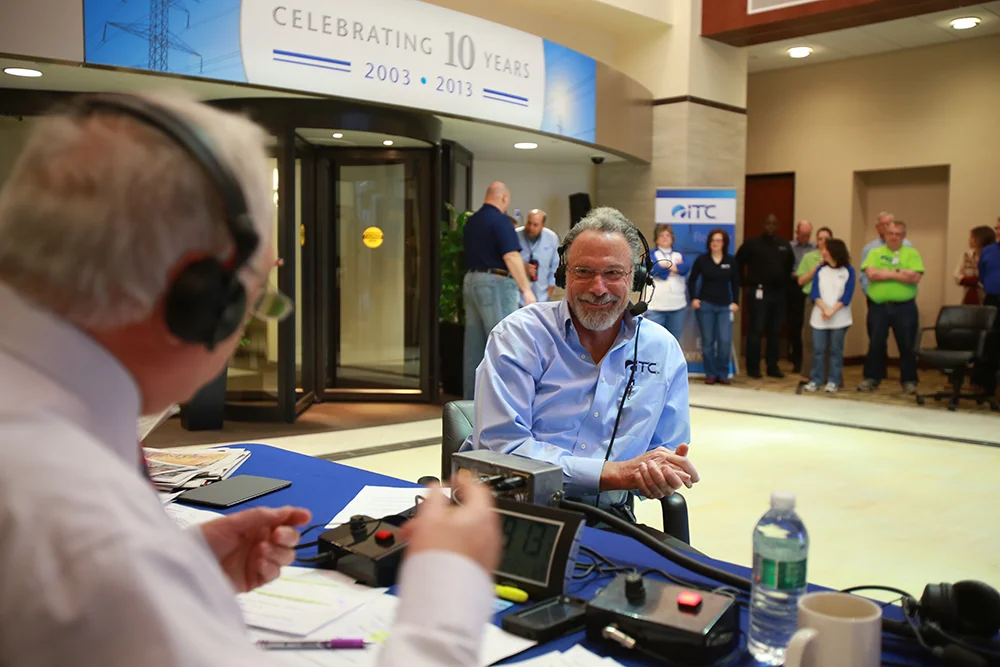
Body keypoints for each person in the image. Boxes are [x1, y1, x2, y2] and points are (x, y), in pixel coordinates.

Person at [0, 93, 501, 667]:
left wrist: (178, 571)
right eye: (259, 293)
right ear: (200, 301)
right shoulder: (88, 533)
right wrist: (449, 591)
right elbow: (91, 575)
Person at [460, 207, 699, 524]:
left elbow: (665, 450)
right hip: (515, 511)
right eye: (583, 271)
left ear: (637, 277)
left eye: (613, 273)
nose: (598, 288)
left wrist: (660, 473)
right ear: (563, 275)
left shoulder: (662, 349)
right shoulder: (519, 336)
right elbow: (502, 449)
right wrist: (612, 474)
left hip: (611, 519)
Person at [462, 182, 536, 399]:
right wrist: (527, 291)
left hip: (471, 281)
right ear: (504, 198)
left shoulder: (472, 221)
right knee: (503, 343)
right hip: (494, 283)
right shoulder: (501, 221)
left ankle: (470, 403)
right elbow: (511, 256)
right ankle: (502, 403)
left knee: (474, 347)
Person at [858, 221, 924, 394]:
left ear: (904, 236)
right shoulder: (874, 252)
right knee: (876, 343)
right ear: (885, 235)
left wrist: (884, 273)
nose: (894, 237)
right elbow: (871, 274)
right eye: (890, 233)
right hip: (879, 307)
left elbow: (914, 277)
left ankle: (909, 380)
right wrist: (899, 272)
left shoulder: (912, 253)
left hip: (904, 308)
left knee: (907, 344)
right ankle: (872, 378)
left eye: (898, 234)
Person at [736, 213, 795, 378]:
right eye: (768, 223)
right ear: (764, 225)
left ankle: (772, 366)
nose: (771, 226)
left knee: (775, 332)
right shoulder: (752, 243)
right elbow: (738, 263)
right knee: (756, 330)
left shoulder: (784, 245)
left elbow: (789, 267)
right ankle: (753, 367)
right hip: (758, 293)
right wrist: (745, 284)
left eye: (774, 224)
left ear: (778, 226)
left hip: (778, 294)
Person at [688, 229, 740, 385]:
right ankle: (710, 374)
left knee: (724, 341)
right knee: (708, 341)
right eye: (713, 240)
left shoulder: (730, 261)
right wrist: (694, 298)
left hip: (725, 306)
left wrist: (735, 301)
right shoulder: (702, 260)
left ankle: (723, 373)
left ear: (724, 243)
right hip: (706, 306)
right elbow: (692, 280)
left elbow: (736, 283)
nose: (715, 243)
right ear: (709, 242)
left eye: (719, 240)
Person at [803, 239, 855, 394]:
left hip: (840, 317)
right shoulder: (820, 270)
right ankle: (816, 380)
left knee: (835, 350)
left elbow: (847, 295)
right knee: (818, 350)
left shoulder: (848, 270)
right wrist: (825, 309)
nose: (823, 252)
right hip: (820, 317)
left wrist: (833, 310)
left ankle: (834, 381)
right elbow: (815, 293)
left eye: (826, 249)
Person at [795, 227, 833, 382]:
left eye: (826, 239)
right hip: (812, 300)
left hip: (831, 302)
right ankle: (807, 373)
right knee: (810, 338)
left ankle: (828, 375)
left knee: (830, 341)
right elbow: (801, 281)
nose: (823, 242)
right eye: (820, 238)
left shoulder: (836, 257)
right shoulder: (809, 256)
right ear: (816, 241)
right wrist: (815, 268)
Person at [646, 223, 690, 341]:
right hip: (656, 307)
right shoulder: (650, 254)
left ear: (672, 238)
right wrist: (674, 268)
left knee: (673, 342)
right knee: (653, 342)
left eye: (668, 235)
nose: (665, 237)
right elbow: (653, 269)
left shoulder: (679, 254)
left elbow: (685, 268)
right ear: (656, 239)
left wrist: (664, 266)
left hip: (677, 306)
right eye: (662, 235)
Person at [972, 231, 1000, 398]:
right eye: (997, 227)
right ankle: (986, 388)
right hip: (993, 301)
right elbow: (982, 275)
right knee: (989, 343)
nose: (998, 231)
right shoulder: (989, 250)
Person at [787, 220, 816, 374]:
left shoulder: (815, 248)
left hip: (811, 287)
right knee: (795, 325)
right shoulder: (789, 247)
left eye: (808, 235)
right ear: (796, 233)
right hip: (793, 287)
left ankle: (809, 361)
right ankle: (796, 360)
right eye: (803, 234)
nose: (806, 237)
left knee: (809, 326)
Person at [516, 208, 560, 304]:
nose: (531, 227)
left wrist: (549, 293)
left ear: (543, 225)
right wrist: (522, 268)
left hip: (542, 296)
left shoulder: (551, 238)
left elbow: (555, 267)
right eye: (529, 223)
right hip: (518, 297)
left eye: (535, 225)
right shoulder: (515, 235)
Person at [954, 226, 996, 305]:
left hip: (987, 299)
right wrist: (969, 280)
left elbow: (988, 280)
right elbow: (956, 276)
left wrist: (969, 279)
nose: (969, 240)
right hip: (968, 298)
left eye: (972, 237)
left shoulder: (993, 256)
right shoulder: (966, 255)